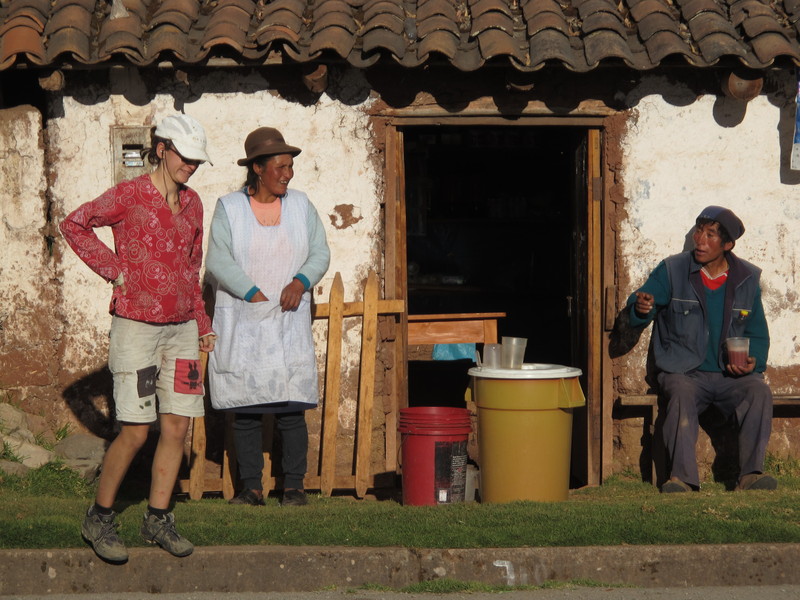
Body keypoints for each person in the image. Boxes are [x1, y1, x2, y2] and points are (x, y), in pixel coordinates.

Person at [60, 114, 216, 562]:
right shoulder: (129, 195)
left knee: (178, 425)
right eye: (186, 157)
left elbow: (191, 268)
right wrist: (114, 270)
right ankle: (100, 517)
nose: (192, 166)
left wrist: (202, 323)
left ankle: (157, 518)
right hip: (136, 329)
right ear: (162, 149)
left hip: (182, 331)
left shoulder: (194, 203)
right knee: (135, 429)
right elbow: (75, 224)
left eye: (197, 160)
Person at [205, 126, 330, 507]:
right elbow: (218, 259)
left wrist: (300, 281)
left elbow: (320, 252)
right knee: (246, 410)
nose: (288, 174)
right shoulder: (229, 208)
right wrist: (251, 293)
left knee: (292, 410)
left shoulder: (301, 206)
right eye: (280, 167)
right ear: (258, 168)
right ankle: (251, 488)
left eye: (290, 166)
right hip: (245, 322)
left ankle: (293, 486)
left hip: (288, 322)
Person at [626, 205, 775, 494]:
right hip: (684, 372)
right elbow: (643, 301)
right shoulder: (673, 270)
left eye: (710, 235)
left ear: (727, 245)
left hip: (730, 376)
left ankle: (750, 475)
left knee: (758, 390)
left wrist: (752, 361)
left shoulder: (747, 278)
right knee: (680, 393)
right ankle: (682, 480)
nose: (700, 240)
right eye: (698, 231)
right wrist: (641, 308)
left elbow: (757, 333)